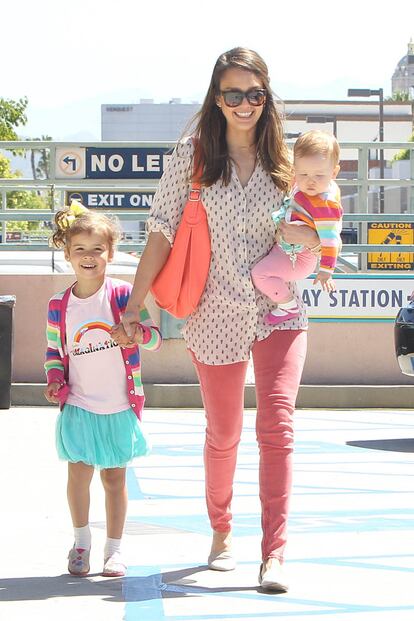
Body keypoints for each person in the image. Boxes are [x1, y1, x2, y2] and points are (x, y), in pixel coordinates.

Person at [112, 47, 321, 592]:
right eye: (234, 94)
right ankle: (221, 531)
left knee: (277, 427)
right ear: (217, 97)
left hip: (279, 308)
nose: (245, 104)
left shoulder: (286, 160)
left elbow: (327, 215)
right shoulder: (192, 158)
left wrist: (318, 238)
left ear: (266, 98)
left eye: (255, 94)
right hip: (214, 311)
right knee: (224, 432)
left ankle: (274, 553)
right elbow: (160, 229)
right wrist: (134, 305)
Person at [44, 202, 162, 577]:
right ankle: (81, 543)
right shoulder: (58, 305)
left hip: (118, 406)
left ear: (110, 253)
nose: (89, 257)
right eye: (80, 249)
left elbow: (155, 339)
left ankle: (114, 550)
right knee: (78, 474)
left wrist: (136, 333)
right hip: (78, 405)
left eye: (97, 249)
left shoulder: (124, 296)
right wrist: (54, 379)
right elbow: (53, 352)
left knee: (114, 478)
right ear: (67, 255)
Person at [251, 130, 343, 325]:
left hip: (300, 259)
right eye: (303, 174)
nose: (310, 181)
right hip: (286, 250)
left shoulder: (325, 205)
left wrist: (327, 270)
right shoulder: (304, 186)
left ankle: (288, 305)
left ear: (333, 173)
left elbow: (331, 240)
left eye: (319, 175)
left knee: (259, 273)